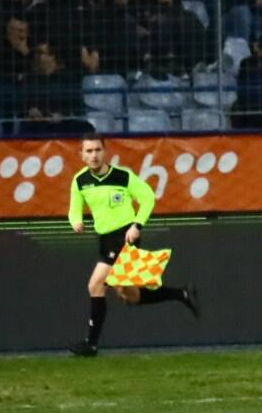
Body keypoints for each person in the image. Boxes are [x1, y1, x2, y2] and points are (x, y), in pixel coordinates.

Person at [67, 134, 198, 357]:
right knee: (129, 295)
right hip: (105, 239)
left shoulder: (122, 176)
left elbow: (147, 197)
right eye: (89, 151)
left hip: (125, 236)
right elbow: (74, 209)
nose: (94, 155)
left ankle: (91, 344)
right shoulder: (80, 181)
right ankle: (181, 293)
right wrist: (75, 221)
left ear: (105, 152)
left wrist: (137, 225)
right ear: (81, 155)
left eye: (97, 150)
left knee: (95, 285)